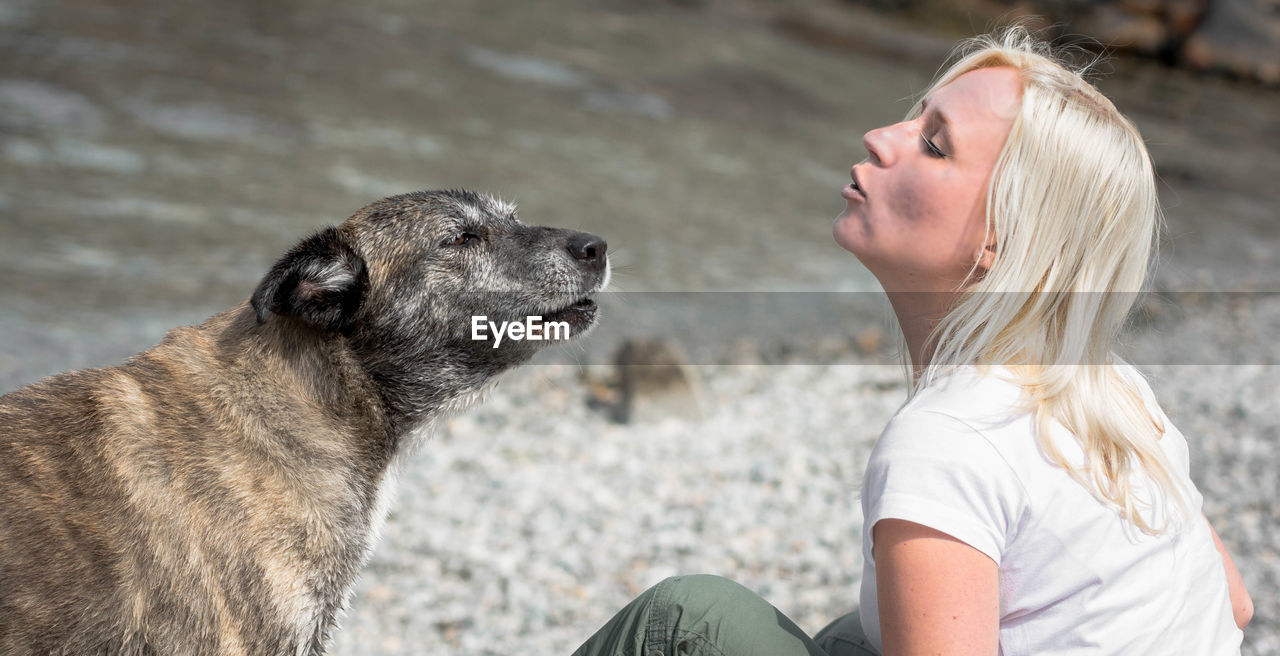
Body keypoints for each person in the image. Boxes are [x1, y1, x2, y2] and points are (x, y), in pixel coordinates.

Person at [571, 26, 1253, 656]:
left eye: (933, 143)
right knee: (851, 639)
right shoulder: (1109, 389)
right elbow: (1235, 604)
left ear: (1000, 238)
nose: (878, 137)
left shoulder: (951, 440)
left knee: (692, 617)